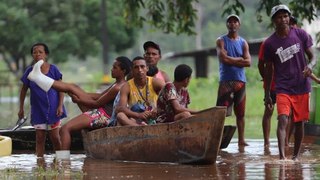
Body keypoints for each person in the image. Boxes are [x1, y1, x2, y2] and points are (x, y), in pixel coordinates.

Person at [27, 56, 132, 159]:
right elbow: (99, 96)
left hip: (104, 116)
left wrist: (79, 100)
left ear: (123, 71)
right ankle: (38, 78)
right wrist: (81, 92)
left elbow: (96, 103)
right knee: (73, 87)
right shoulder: (117, 84)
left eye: (115, 67)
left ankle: (63, 163)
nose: (111, 69)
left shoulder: (118, 87)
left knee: (64, 129)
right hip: (101, 112)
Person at [264, 4, 315, 160]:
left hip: (301, 86)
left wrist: (310, 66)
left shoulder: (300, 34)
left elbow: (313, 56)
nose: (283, 19)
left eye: (285, 16)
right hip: (283, 88)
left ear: (289, 17)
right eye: (279, 17)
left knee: (299, 123)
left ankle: (295, 157)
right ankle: (282, 158)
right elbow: (268, 70)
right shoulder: (269, 43)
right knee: (283, 118)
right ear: (274, 21)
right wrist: (267, 94)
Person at [18, 42, 67, 157]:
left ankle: (61, 162)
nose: (37, 54)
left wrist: (60, 106)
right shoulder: (29, 72)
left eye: (40, 52)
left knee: (55, 137)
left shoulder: (53, 69)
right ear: (32, 55)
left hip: (54, 109)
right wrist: (21, 109)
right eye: (35, 52)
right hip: (38, 109)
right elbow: (23, 90)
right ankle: (40, 164)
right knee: (39, 138)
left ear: (46, 54)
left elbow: (62, 89)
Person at [216, 14, 251, 146]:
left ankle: (241, 140)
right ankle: (217, 139)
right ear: (227, 24)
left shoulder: (243, 42)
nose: (232, 24)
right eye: (230, 22)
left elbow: (248, 62)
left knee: (241, 113)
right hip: (226, 81)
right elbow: (223, 59)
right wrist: (240, 59)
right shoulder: (221, 40)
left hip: (240, 82)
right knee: (221, 113)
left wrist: (231, 59)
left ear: (239, 25)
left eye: (235, 21)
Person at [116, 56, 165, 126]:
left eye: (142, 67)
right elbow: (121, 108)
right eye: (136, 67)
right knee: (120, 116)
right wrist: (138, 115)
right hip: (136, 120)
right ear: (132, 70)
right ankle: (140, 128)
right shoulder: (126, 86)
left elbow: (169, 96)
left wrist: (157, 109)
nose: (139, 70)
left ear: (147, 68)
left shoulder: (156, 82)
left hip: (156, 118)